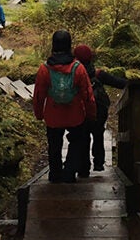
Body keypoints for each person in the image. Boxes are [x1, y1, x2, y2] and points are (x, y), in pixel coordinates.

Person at [33, 30, 97, 183]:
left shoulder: (45, 69)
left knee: (54, 144)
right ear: (70, 45)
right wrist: (91, 114)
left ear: (53, 45)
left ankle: (55, 174)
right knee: (76, 142)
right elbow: (88, 95)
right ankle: (69, 172)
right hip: (75, 115)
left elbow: (38, 95)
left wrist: (39, 114)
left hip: (53, 115)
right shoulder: (78, 68)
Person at [73, 44, 127, 175]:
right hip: (99, 111)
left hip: (81, 111)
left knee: (83, 137)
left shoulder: (74, 73)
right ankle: (98, 163)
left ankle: (84, 168)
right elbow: (120, 83)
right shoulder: (99, 74)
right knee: (98, 135)